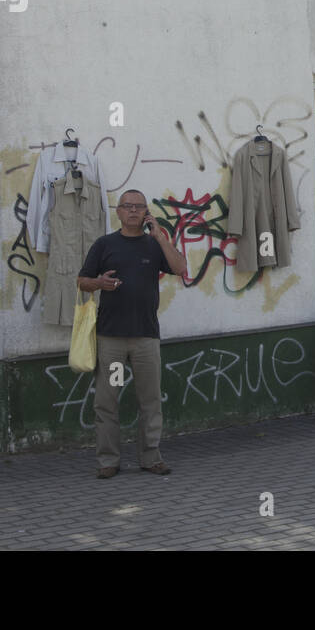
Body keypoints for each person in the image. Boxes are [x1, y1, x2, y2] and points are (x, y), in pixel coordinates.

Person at [78, 189, 187, 479]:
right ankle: (108, 460)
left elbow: (180, 268)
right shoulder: (105, 245)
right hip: (111, 339)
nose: (134, 211)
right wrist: (99, 283)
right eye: (128, 206)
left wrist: (161, 237)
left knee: (149, 400)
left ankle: (151, 457)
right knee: (107, 401)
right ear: (118, 211)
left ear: (147, 212)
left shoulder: (154, 246)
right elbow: (82, 281)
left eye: (139, 207)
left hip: (145, 338)